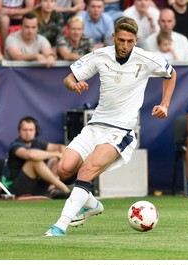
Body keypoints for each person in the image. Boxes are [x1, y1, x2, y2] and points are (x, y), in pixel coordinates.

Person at [44, 16, 176, 236]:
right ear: (114, 37)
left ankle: (60, 225)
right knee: (64, 170)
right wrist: (74, 84)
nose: (125, 46)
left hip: (121, 130)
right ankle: (92, 205)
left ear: (136, 40)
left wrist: (165, 104)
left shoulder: (145, 58)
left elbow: (171, 74)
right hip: (95, 125)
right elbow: (68, 78)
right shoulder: (100, 55)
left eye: (130, 41)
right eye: (121, 40)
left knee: (86, 171)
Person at [7, 116, 70, 198]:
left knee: (55, 160)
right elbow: (31, 155)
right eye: (25, 130)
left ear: (35, 131)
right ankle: (66, 190)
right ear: (19, 131)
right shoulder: (15, 146)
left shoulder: (37, 143)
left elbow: (60, 147)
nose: (28, 133)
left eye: (31, 130)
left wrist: (62, 155)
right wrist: (56, 154)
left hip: (37, 185)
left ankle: (52, 190)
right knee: (35, 161)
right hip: (18, 188)